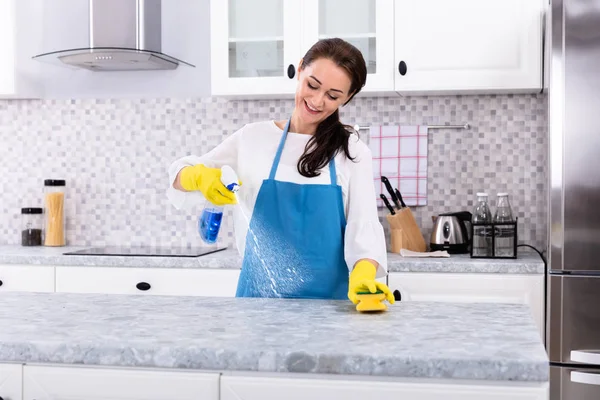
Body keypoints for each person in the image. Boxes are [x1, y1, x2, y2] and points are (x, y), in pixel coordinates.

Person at [167, 38, 394, 305]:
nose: (317, 101)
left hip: (330, 310)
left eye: (333, 96)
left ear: (348, 97)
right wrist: (198, 176)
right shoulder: (253, 138)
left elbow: (364, 228)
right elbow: (178, 178)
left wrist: (364, 276)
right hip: (258, 307)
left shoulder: (352, 152)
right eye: (312, 85)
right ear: (299, 70)